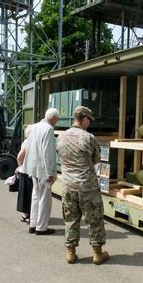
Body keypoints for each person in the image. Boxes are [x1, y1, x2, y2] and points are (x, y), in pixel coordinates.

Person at [56, 106, 109, 265]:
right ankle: (97, 254)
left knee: (71, 219)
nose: (90, 124)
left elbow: (60, 156)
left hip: (68, 185)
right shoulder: (89, 138)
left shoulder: (61, 136)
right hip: (87, 186)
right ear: (85, 118)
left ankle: (71, 253)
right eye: (90, 120)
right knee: (94, 220)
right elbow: (97, 160)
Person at [22, 108, 59, 235]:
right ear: (54, 118)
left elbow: (29, 147)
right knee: (44, 199)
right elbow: (47, 152)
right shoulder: (48, 129)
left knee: (35, 197)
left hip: (33, 168)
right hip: (43, 169)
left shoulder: (35, 127)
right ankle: (41, 227)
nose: (56, 122)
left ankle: (33, 224)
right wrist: (50, 172)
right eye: (57, 120)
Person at [16, 125, 33, 223]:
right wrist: (20, 166)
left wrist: (20, 166)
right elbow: (19, 157)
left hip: (25, 171)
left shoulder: (26, 142)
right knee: (27, 194)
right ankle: (25, 215)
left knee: (24, 194)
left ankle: (25, 214)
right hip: (27, 171)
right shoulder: (28, 143)